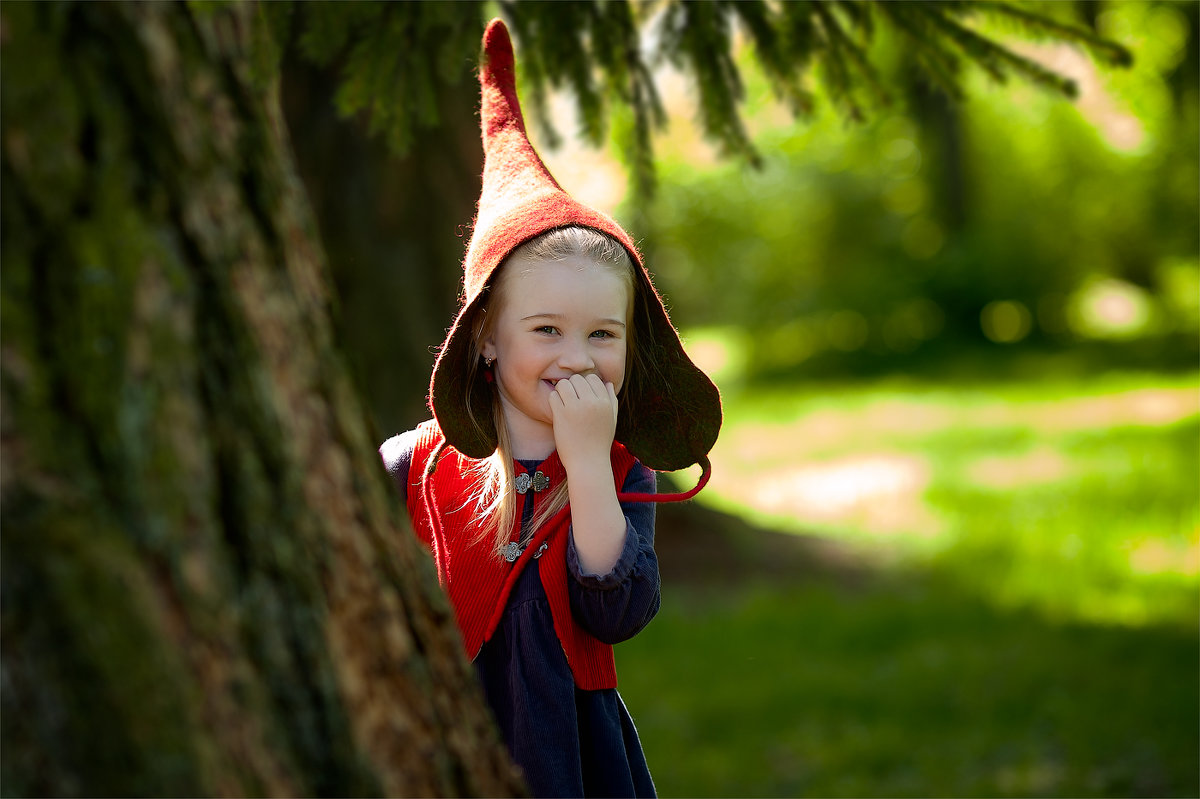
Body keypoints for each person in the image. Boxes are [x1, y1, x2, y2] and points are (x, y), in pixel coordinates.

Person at [380, 18, 722, 799]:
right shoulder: (414, 465)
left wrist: (588, 462)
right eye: (546, 330)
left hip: (572, 756)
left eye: (602, 333)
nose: (576, 355)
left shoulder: (625, 470)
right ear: (487, 340)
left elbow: (619, 609)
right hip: (448, 744)